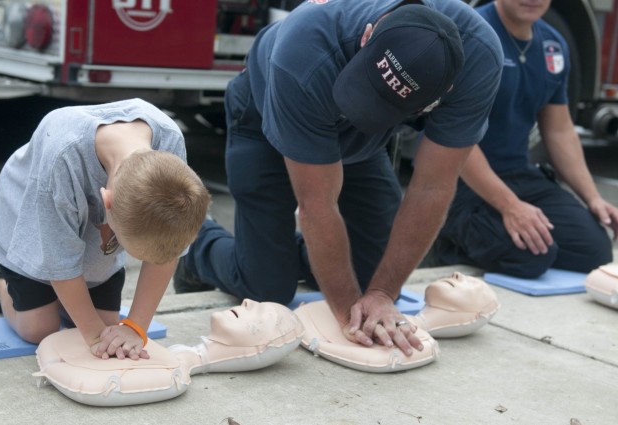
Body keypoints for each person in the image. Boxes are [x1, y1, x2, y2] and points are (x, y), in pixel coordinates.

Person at [175, 0, 503, 356]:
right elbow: (317, 206)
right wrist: (352, 315)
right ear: (367, 36)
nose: (359, 110)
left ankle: (287, 254)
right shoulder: (305, 49)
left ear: (445, 93)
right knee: (269, 288)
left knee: (375, 273)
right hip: (269, 115)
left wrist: (381, 295)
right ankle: (198, 247)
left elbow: (433, 186)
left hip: (364, 145)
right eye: (365, 92)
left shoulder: (479, 58)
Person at [0, 98, 211, 360]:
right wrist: (96, 339)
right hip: (28, 219)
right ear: (107, 201)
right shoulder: (63, 156)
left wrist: (135, 327)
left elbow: (168, 250)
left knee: (105, 321)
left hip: (81, 228)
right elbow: (59, 261)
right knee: (40, 329)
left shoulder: (169, 143)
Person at [434, 0, 617, 278]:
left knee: (594, 250)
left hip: (518, 174)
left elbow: (559, 130)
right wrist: (510, 206)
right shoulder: (471, 36)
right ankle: (449, 235)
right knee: (531, 256)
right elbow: (453, 136)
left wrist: (593, 198)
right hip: (460, 180)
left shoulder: (553, 45)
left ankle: (494, 228)